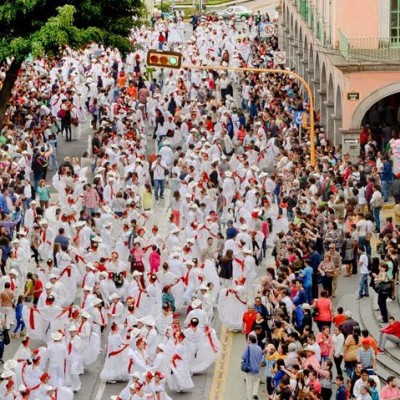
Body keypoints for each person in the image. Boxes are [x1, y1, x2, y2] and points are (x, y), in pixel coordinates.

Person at [241, 334, 263, 400]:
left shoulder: (247, 347)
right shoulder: (259, 348)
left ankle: (249, 398)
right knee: (256, 381)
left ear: (250, 340)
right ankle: (255, 393)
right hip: (257, 368)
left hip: (249, 369)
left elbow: (243, 356)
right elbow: (260, 358)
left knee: (249, 384)